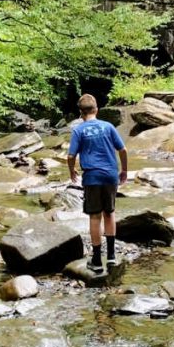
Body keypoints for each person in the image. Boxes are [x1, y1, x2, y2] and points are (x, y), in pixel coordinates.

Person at [67, 93, 128, 275]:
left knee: (95, 217)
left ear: (81, 113)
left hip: (92, 177)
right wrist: (124, 170)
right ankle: (111, 256)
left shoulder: (79, 130)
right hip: (110, 175)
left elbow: (71, 156)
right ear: (96, 110)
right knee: (109, 213)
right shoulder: (108, 127)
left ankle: (96, 260)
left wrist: (71, 171)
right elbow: (122, 149)